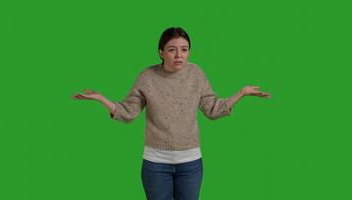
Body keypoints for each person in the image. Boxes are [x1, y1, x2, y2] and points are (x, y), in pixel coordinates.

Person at [72, 27, 271, 200]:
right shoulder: (147, 76)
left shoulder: (197, 74)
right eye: (172, 50)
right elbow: (128, 112)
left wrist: (241, 93)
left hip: (191, 163)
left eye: (184, 50)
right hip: (156, 164)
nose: (179, 55)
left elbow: (213, 109)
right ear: (161, 52)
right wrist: (101, 99)